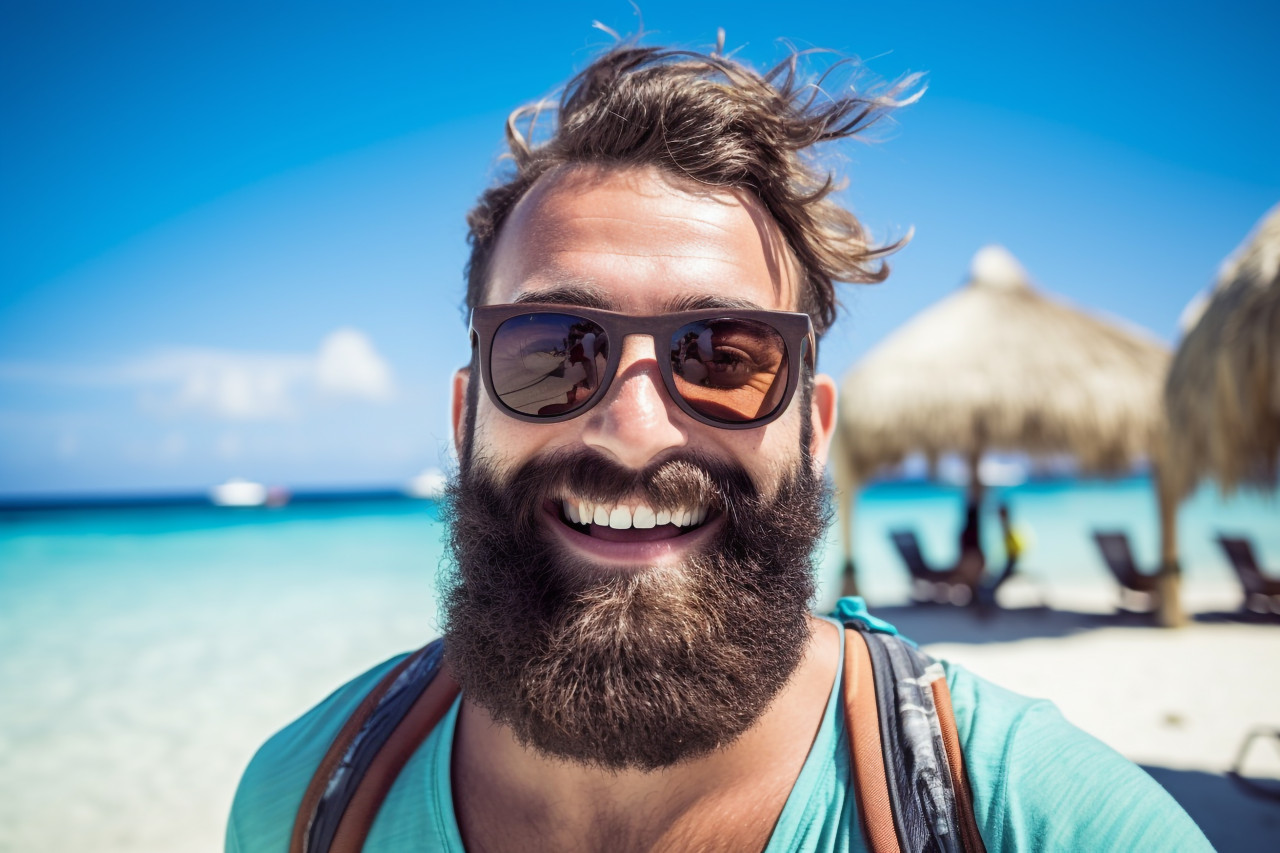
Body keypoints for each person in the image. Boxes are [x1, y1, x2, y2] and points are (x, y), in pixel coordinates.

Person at [226, 40, 1211, 852]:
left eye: (724, 355)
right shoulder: (301, 802)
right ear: (463, 417)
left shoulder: (1034, 818)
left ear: (813, 429)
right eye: (550, 352)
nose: (635, 425)